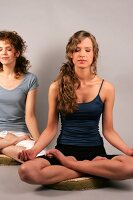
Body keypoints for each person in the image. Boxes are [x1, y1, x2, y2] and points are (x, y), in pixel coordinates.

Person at [18, 30, 133, 185]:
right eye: (76, 50)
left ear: (94, 55)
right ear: (70, 54)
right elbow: (51, 128)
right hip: (64, 150)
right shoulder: (56, 87)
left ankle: (71, 165)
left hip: (95, 152)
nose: (82, 54)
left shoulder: (107, 88)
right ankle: (93, 170)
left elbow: (109, 130)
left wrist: (128, 151)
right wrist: (34, 150)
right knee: (26, 172)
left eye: (87, 50)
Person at [0, 31, 45, 161]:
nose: (3, 52)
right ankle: (10, 142)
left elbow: (30, 115)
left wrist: (38, 142)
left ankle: (7, 144)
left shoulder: (30, 79)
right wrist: (14, 141)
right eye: (0, 49)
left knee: (37, 155)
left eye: (8, 49)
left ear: (17, 53)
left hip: (20, 132)